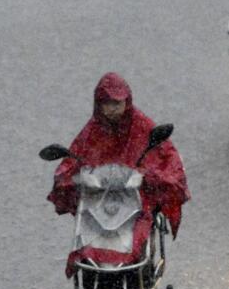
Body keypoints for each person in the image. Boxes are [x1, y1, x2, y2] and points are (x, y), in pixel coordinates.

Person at [47, 72, 190, 276]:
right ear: (98, 104)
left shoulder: (143, 127)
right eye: (107, 103)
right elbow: (74, 159)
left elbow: (167, 158)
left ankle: (144, 273)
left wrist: (151, 177)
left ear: (127, 102)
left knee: (143, 228)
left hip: (136, 199)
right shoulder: (92, 132)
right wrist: (71, 178)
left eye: (117, 103)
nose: (112, 109)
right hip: (100, 201)